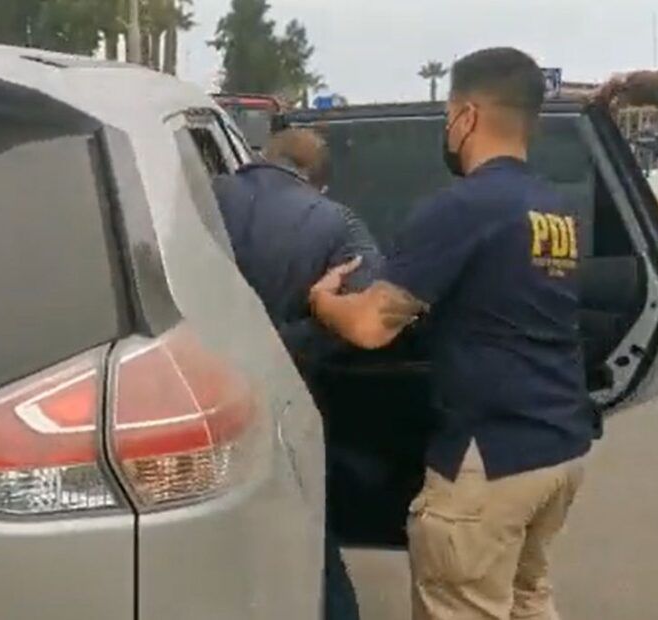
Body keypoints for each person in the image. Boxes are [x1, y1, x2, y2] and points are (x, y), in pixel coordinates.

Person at [309, 48, 594, 620]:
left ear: (467, 115)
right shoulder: (556, 208)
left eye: (447, 116)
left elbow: (369, 326)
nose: (447, 130)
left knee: (462, 605)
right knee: (526, 599)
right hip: (559, 448)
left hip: (489, 460)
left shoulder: (463, 207)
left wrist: (323, 302)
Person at [212, 128, 384, 620]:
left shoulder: (199, 197)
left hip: (196, 397)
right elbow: (371, 312)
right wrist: (284, 345)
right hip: (289, 402)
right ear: (319, 182)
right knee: (311, 537)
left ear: (262, 156)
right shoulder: (337, 222)